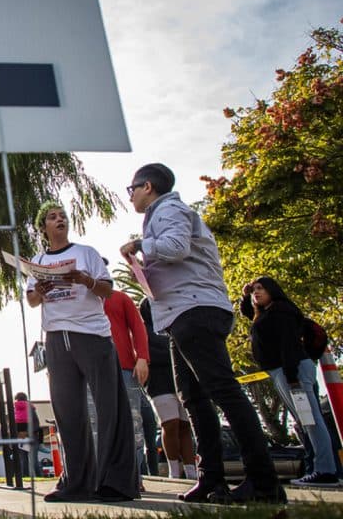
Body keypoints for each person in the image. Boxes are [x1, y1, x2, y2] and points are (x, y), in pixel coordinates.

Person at [120, 163, 284, 504]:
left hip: (196, 310)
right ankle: (212, 478)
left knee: (223, 391)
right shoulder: (160, 216)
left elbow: (177, 246)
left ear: (147, 186)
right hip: (179, 314)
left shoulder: (170, 210)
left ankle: (264, 482)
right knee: (193, 398)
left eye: (131, 189)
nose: (131, 195)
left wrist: (140, 244)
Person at [28, 201, 138, 503]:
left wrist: (85, 280)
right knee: (68, 411)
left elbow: (107, 290)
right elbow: (32, 300)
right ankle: (77, 482)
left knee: (109, 407)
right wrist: (43, 289)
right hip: (56, 337)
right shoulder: (37, 259)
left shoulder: (86, 253)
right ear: (44, 228)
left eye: (62, 216)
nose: (59, 219)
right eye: (52, 217)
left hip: (91, 335)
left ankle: (116, 483)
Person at [241, 277, 340, 487]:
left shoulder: (281, 310)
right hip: (282, 372)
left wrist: (292, 376)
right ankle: (317, 468)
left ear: (272, 290)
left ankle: (326, 470)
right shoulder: (267, 313)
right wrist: (244, 296)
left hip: (291, 371)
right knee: (305, 422)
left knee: (311, 420)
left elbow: (288, 344)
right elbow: (250, 314)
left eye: (261, 289)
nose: (256, 293)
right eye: (254, 290)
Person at [139, 298, 197, 480]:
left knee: (185, 426)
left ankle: (191, 470)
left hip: (181, 382)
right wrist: (172, 356)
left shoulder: (171, 325)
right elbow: (149, 354)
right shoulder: (144, 331)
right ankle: (174, 471)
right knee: (170, 424)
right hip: (159, 384)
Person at [103, 284, 150, 486]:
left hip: (125, 368)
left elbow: (137, 326)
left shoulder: (120, 298)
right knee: (98, 423)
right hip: (94, 370)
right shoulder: (82, 302)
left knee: (132, 422)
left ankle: (133, 476)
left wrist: (142, 358)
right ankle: (104, 476)